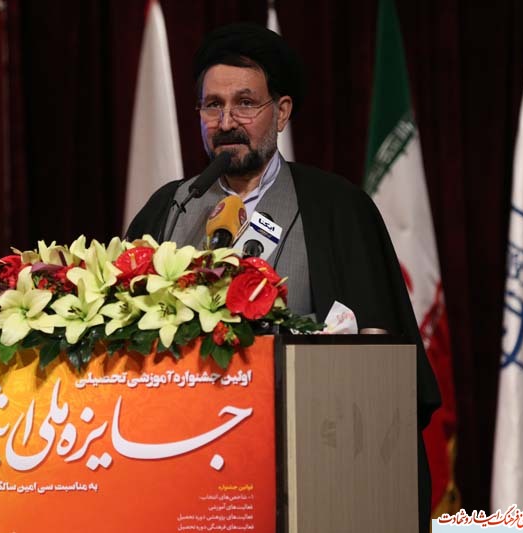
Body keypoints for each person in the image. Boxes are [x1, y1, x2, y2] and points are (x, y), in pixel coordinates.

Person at [126, 22, 440, 532]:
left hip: (312, 475)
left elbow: (382, 371)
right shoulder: (170, 208)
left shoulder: (337, 210)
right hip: (187, 474)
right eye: (212, 106)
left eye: (245, 103)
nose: (227, 122)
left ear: (282, 112)